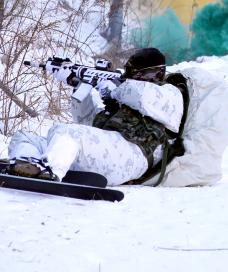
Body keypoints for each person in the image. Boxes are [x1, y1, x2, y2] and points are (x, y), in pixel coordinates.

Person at [6, 47, 188, 187]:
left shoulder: (170, 94)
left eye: (139, 74)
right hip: (108, 151)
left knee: (64, 131)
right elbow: (87, 125)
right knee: (26, 136)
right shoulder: (123, 98)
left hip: (135, 156)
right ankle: (26, 164)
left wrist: (115, 88)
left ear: (158, 73)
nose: (132, 77)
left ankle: (50, 170)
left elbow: (142, 95)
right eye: (130, 73)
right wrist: (77, 83)